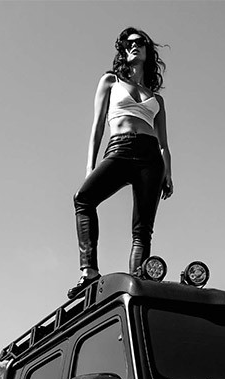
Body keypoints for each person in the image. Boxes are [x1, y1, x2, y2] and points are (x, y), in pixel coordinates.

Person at [68, 27, 173, 299]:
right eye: (128, 43)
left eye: (139, 43)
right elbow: (97, 127)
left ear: (148, 51)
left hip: (151, 158)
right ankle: (89, 271)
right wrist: (90, 167)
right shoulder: (110, 81)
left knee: (142, 230)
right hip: (120, 147)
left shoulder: (157, 99)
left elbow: (163, 144)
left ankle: (139, 283)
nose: (133, 46)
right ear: (123, 51)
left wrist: (168, 173)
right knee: (83, 198)